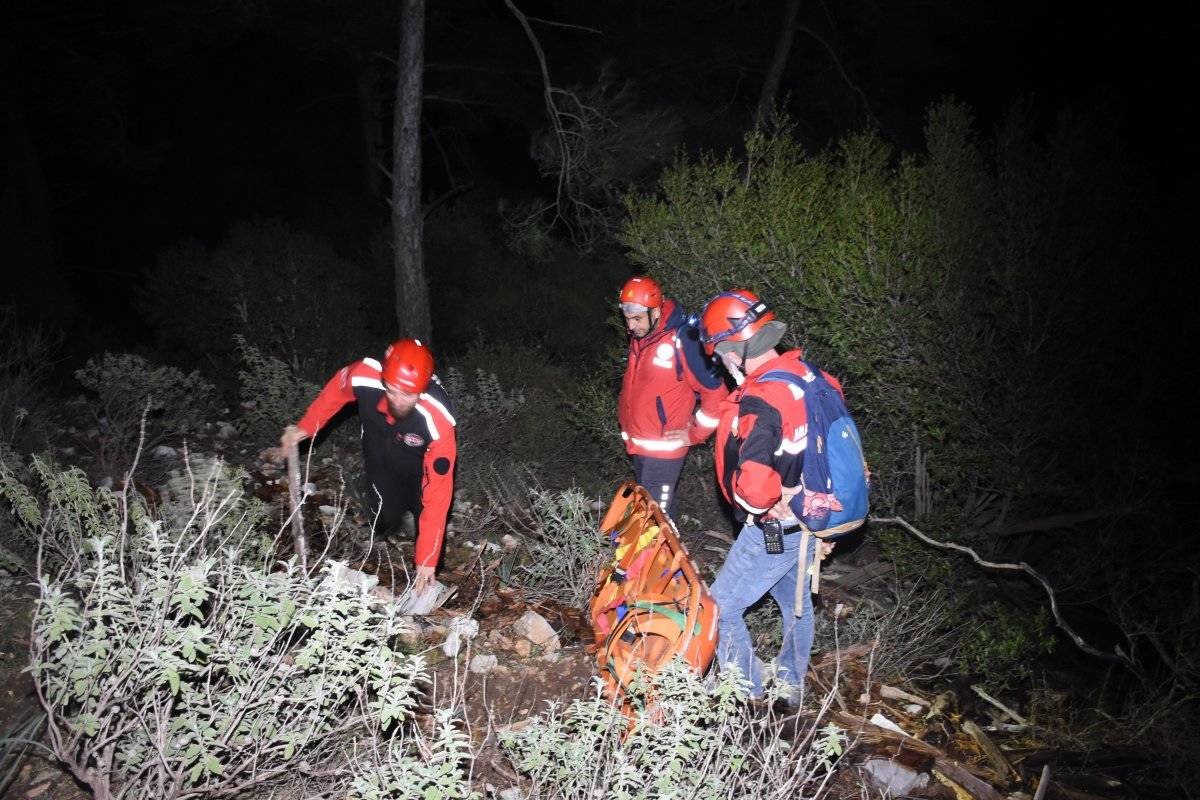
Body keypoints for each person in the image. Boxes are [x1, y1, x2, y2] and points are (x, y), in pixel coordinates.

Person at [697, 289, 841, 701]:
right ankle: (790, 685)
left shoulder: (762, 398)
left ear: (735, 347)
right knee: (794, 602)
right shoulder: (817, 380)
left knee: (721, 608)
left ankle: (748, 697)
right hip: (813, 521)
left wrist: (758, 502)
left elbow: (757, 491)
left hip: (775, 527)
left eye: (721, 353)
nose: (722, 363)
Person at [280, 339, 455, 593]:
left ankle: (424, 557)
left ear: (422, 390)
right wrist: (305, 428)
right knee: (384, 516)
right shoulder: (364, 374)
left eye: (407, 395)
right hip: (378, 453)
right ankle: (398, 515)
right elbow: (334, 394)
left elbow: (438, 492)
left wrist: (427, 559)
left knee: (424, 508)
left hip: (419, 464)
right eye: (391, 389)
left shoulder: (438, 420)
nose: (397, 400)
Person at [617, 276, 727, 520]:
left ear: (655, 311)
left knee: (656, 518)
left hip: (664, 450)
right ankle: (660, 557)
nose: (632, 326)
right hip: (640, 445)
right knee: (652, 510)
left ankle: (661, 557)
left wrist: (695, 433)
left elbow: (717, 394)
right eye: (627, 319)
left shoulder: (683, 340)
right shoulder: (641, 338)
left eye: (637, 319)